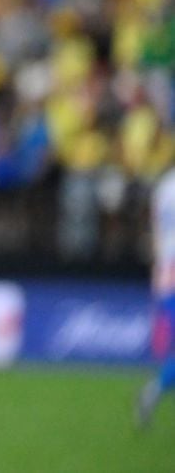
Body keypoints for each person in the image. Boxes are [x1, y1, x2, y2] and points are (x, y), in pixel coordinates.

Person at [136, 166, 175, 429]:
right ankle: (153, 390)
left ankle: (153, 390)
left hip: (165, 273)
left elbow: (157, 234)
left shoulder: (164, 185)